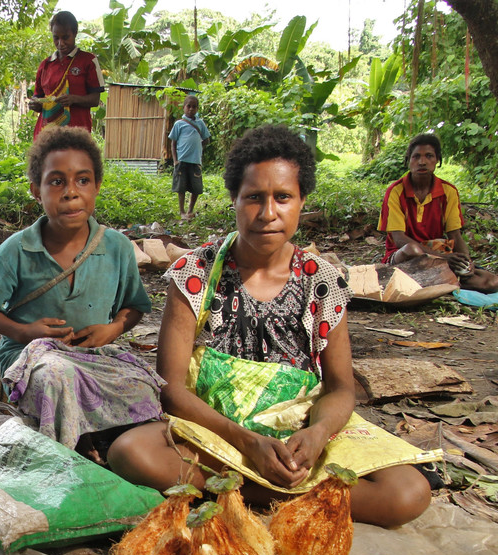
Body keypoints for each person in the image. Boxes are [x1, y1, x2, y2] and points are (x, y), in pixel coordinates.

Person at [108, 124, 431, 528]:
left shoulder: (323, 281)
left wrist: (315, 437)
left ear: (301, 201)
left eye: (283, 197)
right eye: (254, 198)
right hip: (219, 432)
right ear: (234, 200)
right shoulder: (195, 275)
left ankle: (245, 490)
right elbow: (172, 390)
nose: (267, 213)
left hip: (300, 432)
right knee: (132, 451)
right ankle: (289, 495)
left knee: (408, 492)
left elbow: (341, 387)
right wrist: (246, 442)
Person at [0, 126, 162, 459]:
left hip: (91, 357)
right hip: (31, 359)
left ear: (97, 186)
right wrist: (24, 331)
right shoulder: (18, 249)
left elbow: (134, 306)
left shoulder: (116, 248)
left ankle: (108, 442)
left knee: (145, 387)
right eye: (56, 182)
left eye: (82, 180)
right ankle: (71, 452)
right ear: (35, 191)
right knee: (57, 376)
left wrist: (113, 329)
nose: (71, 193)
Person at [379, 133, 498, 292]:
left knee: (492, 282)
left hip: (439, 259)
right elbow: (400, 239)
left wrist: (466, 261)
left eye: (429, 156)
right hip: (405, 257)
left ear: (438, 160)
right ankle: (443, 282)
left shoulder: (448, 192)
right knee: (412, 250)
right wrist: (444, 258)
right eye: (416, 157)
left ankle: (431, 282)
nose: (422, 162)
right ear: (409, 161)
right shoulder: (395, 191)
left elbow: (455, 235)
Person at [29, 10, 106, 139]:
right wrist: (35, 105)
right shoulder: (45, 65)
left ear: (75, 33)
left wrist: (73, 99)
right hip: (47, 135)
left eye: (65, 37)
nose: (60, 43)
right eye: (56, 38)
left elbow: (95, 99)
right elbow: (38, 98)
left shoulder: (88, 61)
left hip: (77, 134)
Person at [167, 94, 211, 220]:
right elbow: (173, 143)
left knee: (196, 188)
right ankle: (182, 211)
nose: (191, 109)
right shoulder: (179, 124)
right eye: (189, 106)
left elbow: (206, 139)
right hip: (181, 160)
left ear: (197, 109)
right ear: (184, 108)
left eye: (194, 107)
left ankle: (190, 210)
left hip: (195, 161)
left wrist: (197, 148)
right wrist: (175, 160)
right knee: (181, 187)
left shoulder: (200, 123)